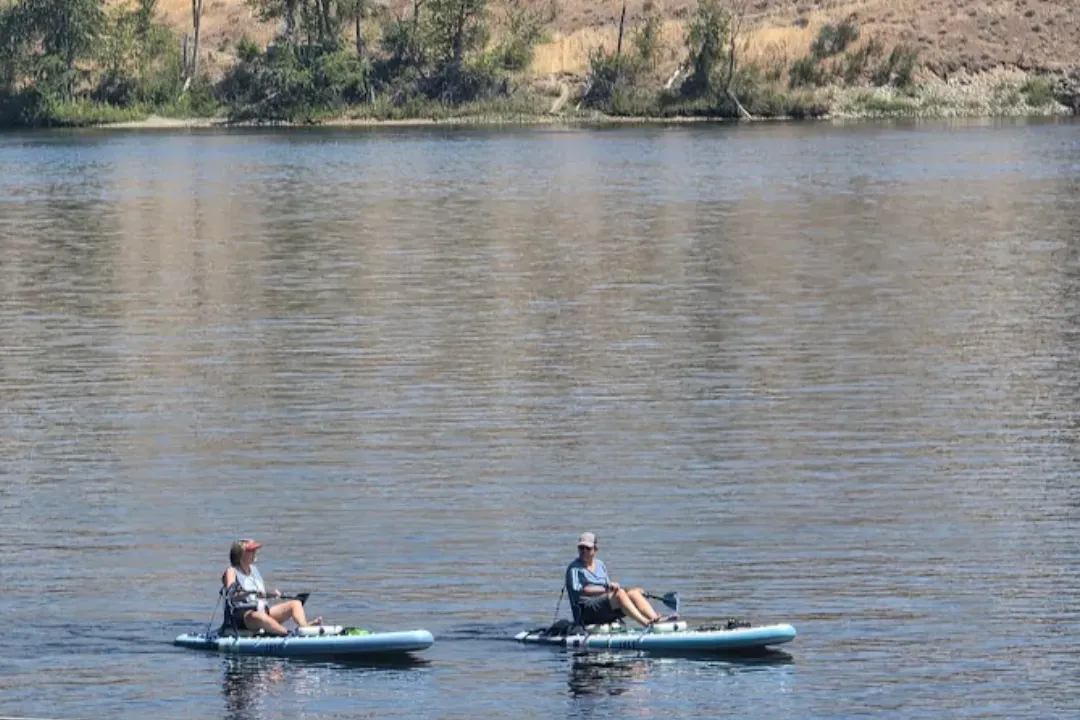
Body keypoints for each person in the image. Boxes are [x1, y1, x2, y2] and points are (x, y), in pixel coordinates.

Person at [564, 532, 676, 628]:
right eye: (581, 548)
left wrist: (629, 592)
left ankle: (655, 619)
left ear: (595, 549)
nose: (583, 551)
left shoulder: (600, 564)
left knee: (634, 593)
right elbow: (581, 591)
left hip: (602, 605)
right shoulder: (574, 568)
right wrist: (607, 589)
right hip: (585, 610)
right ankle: (645, 623)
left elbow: (610, 590)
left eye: (587, 548)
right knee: (620, 594)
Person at [221, 538, 321, 636]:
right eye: (251, 550)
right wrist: (249, 593)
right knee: (260, 617)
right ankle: (289, 634)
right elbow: (232, 595)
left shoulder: (254, 570)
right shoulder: (231, 571)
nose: (255, 552)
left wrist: (271, 595)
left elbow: (259, 595)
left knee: (295, 604)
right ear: (240, 554)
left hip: (261, 610)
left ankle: (305, 629)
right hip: (243, 616)